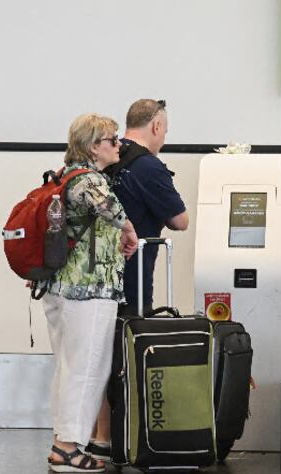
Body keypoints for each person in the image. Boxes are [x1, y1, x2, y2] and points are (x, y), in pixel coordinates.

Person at [45, 113, 137, 473]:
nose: (119, 145)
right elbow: (113, 211)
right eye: (112, 140)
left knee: (69, 368)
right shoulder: (89, 180)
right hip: (88, 291)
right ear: (93, 147)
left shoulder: (64, 176)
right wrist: (129, 229)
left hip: (60, 287)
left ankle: (62, 441)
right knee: (87, 369)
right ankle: (68, 448)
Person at [108, 99, 189, 315]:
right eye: (165, 132)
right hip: (132, 283)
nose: (163, 140)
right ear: (156, 126)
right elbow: (181, 222)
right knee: (129, 336)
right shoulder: (149, 167)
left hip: (93, 283)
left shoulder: (105, 155)